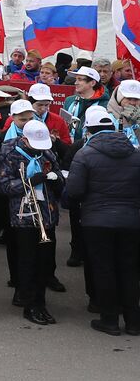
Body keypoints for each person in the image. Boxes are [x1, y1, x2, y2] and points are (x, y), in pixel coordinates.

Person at [65, 106, 140, 335]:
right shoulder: (135, 152)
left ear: (88, 129)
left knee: (103, 269)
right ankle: (133, 321)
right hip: (131, 221)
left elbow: (74, 191)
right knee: (129, 269)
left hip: (97, 221)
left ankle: (109, 319)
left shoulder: (85, 154)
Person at [0, 120, 63, 326]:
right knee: (27, 262)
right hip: (24, 215)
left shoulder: (47, 152)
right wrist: (29, 182)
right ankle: (30, 304)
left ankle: (40, 302)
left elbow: (58, 173)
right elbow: (4, 186)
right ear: (25, 139)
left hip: (47, 214)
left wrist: (56, 180)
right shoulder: (11, 154)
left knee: (44, 262)